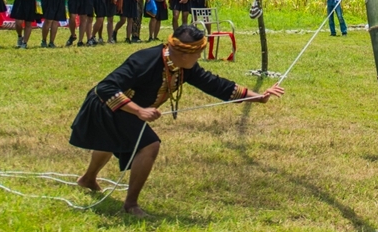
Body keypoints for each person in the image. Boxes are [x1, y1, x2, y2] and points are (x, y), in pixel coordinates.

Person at [69, 24, 284, 217]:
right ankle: (130, 204)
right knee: (149, 145)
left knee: (111, 141)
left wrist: (257, 97)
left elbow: (215, 85)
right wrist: (139, 111)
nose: (200, 56)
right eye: (198, 52)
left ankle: (88, 179)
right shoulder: (144, 60)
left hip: (125, 109)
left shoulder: (184, 67)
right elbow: (105, 87)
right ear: (182, 53)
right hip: (107, 105)